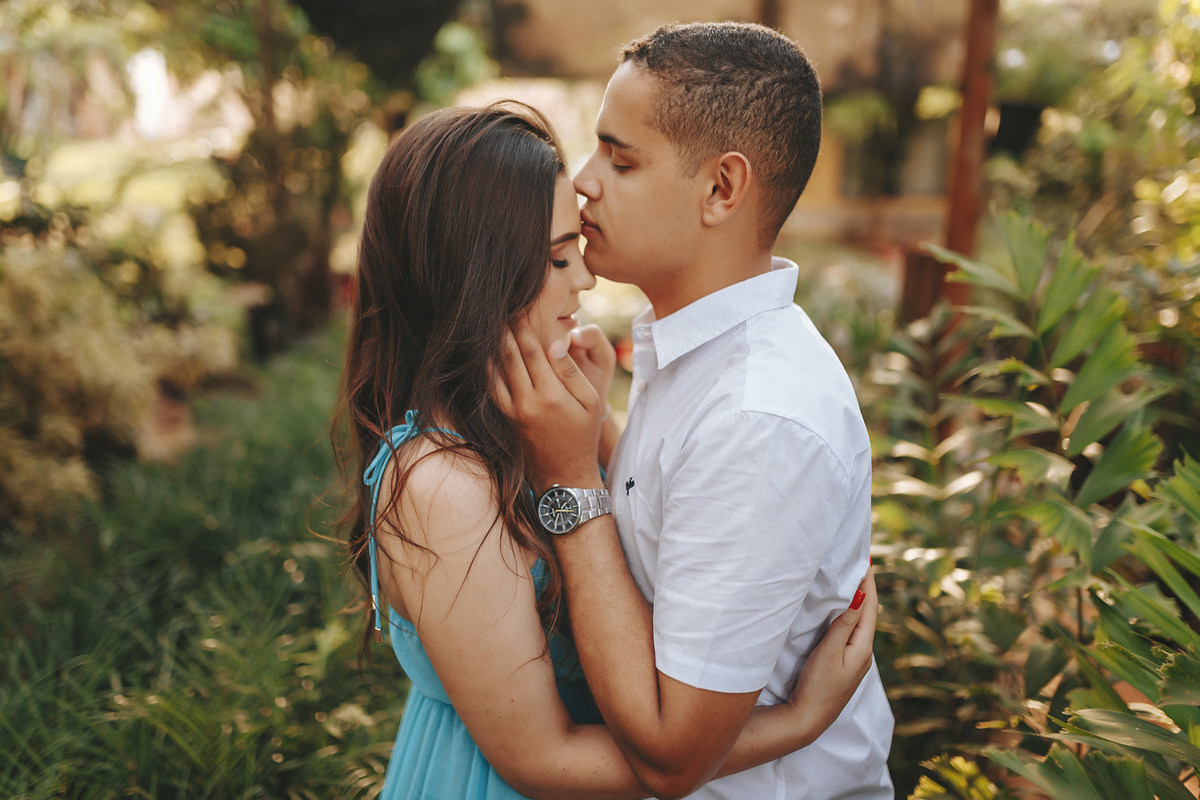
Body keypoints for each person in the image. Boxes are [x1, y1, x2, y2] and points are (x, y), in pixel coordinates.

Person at [334, 100, 880, 800]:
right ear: (476, 276)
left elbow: (630, 537)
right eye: (558, 257)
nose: (585, 279)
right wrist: (799, 721)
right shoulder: (445, 486)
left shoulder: (518, 423)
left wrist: (594, 430)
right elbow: (543, 760)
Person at [495, 22, 895, 800]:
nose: (584, 182)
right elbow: (669, 509)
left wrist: (567, 479)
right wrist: (592, 432)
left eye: (621, 160)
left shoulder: (759, 417)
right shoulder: (697, 351)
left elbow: (671, 757)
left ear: (721, 189)